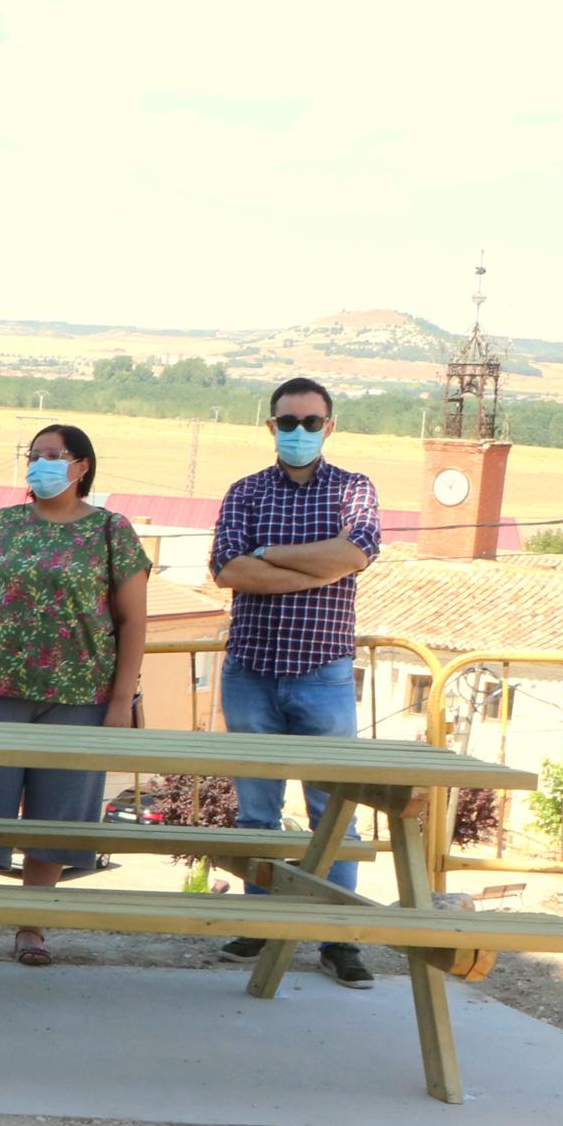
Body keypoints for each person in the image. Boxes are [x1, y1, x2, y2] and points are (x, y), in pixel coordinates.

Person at [0, 424, 150, 963]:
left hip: (80, 695)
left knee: (59, 811)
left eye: (55, 455)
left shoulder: (111, 532)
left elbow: (133, 621)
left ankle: (32, 927)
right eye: (35, 455)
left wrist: (121, 701)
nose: (42, 464)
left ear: (82, 466)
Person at [207, 376, 382, 988]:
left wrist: (272, 552)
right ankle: (263, 924)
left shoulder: (353, 489)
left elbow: (355, 555)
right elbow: (229, 570)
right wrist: (318, 564)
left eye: (312, 422)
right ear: (271, 426)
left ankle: (339, 940)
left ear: (330, 427)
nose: (300, 431)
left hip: (323, 672)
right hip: (250, 670)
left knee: (333, 811)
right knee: (256, 814)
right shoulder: (245, 491)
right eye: (289, 422)